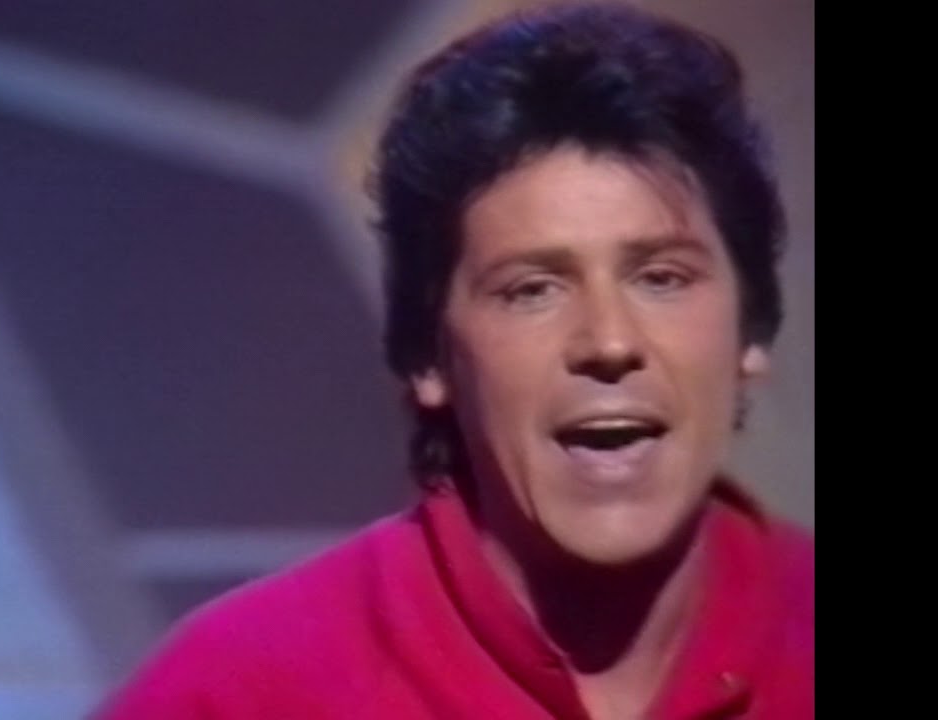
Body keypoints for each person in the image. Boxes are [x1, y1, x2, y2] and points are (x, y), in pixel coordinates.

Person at [94, 2, 813, 718]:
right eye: (532, 290)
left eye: (661, 279)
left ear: (750, 332)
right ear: (428, 357)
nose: (609, 342)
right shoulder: (240, 691)